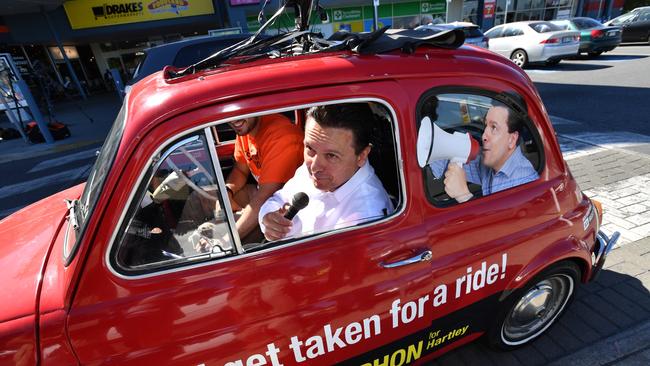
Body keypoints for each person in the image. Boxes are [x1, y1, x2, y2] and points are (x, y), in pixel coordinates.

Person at [259, 103, 394, 241]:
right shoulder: (317, 168)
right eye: (310, 148)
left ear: (362, 156)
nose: (314, 167)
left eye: (331, 155)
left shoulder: (366, 218)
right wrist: (268, 218)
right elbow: (279, 199)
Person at [430, 103, 539, 203]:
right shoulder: (489, 164)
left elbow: (500, 224)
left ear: (512, 139)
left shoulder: (526, 184)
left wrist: (463, 196)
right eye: (485, 125)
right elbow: (445, 158)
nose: (483, 136)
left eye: (494, 128)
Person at [225, 114, 304, 242]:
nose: (233, 119)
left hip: (283, 209)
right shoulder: (246, 128)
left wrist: (227, 241)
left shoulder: (281, 136)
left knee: (223, 232)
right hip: (260, 194)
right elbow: (240, 170)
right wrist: (227, 192)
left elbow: (264, 196)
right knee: (200, 200)